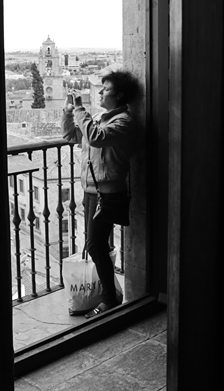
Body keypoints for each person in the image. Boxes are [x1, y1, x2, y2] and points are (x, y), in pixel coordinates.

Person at [61, 70, 140, 318]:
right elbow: (72, 136)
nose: (101, 92)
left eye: (106, 89)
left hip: (107, 194)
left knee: (95, 245)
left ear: (120, 96)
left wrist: (79, 109)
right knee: (97, 244)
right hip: (91, 192)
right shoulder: (98, 118)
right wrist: (68, 113)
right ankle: (109, 292)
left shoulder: (124, 122)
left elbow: (96, 138)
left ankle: (109, 299)